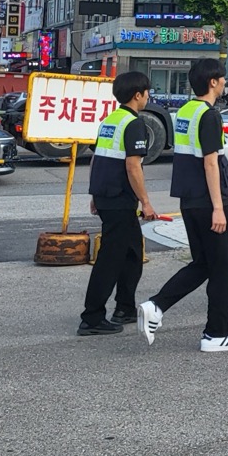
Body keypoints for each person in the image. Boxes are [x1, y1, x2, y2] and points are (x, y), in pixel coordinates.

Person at [138, 58, 228, 352]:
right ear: (213, 82)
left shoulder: (185, 111)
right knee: (225, 269)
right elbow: (211, 163)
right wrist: (219, 207)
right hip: (210, 202)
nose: (224, 82)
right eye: (222, 78)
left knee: (203, 264)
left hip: (190, 202)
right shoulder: (209, 115)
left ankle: (157, 306)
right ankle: (217, 334)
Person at [79, 70, 157, 336]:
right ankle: (92, 317)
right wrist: (145, 202)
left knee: (133, 253)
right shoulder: (134, 123)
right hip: (119, 199)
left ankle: (124, 307)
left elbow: (97, 158)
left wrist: (94, 195)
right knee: (110, 258)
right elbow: (133, 165)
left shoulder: (110, 120)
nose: (148, 97)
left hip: (106, 195)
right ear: (138, 95)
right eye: (147, 92)